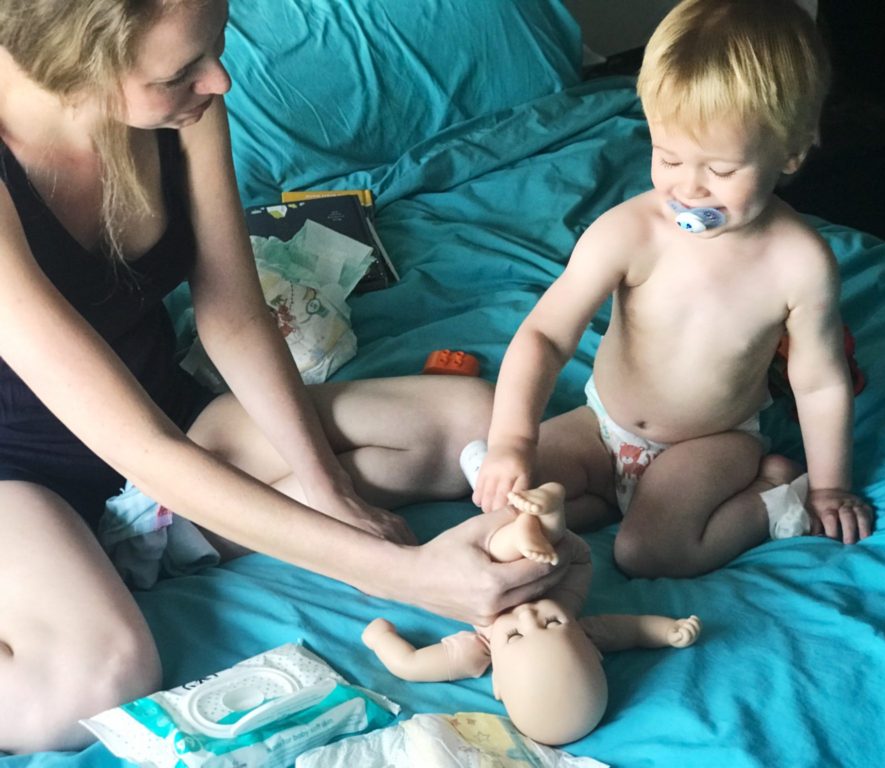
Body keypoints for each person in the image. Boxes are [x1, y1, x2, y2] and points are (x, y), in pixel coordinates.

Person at [0, 0, 570, 753]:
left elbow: (232, 312)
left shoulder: (189, 105)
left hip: (169, 423)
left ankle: (158, 547)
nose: (221, 80)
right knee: (101, 675)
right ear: (82, 65)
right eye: (181, 71)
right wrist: (400, 576)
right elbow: (139, 447)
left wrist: (323, 480)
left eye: (215, 47)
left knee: (470, 419)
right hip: (22, 480)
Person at [472, 0, 875, 580]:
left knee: (647, 554)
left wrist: (831, 486)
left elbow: (817, 380)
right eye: (668, 157)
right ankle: (606, 496)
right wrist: (511, 439)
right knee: (510, 506)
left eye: (721, 170)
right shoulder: (630, 230)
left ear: (790, 152)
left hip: (712, 443)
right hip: (602, 425)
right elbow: (543, 336)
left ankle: (770, 497)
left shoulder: (799, 263)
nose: (689, 188)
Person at [363, 483, 702, 746]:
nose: (527, 615)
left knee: (504, 557)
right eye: (552, 623)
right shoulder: (585, 627)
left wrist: (380, 639)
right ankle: (547, 512)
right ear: (591, 647)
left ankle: (531, 526)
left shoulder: (477, 649)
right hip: (561, 568)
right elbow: (636, 630)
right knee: (548, 555)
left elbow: (410, 665)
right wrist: (669, 631)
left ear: (498, 684)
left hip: (485, 569)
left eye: (514, 636)